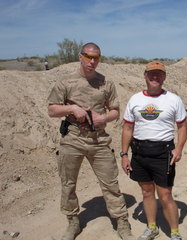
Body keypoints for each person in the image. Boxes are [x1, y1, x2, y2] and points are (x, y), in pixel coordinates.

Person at [47, 42, 134, 240]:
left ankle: (121, 222)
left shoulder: (106, 83)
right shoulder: (66, 82)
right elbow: (52, 109)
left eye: (96, 58)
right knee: (68, 183)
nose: (92, 61)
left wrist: (103, 118)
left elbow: (115, 111)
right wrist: (71, 109)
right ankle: (73, 222)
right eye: (88, 56)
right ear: (80, 56)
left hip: (99, 140)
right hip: (73, 139)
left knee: (110, 183)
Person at [121, 61, 187, 240]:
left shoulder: (173, 99)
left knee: (165, 195)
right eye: (151, 73)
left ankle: (174, 232)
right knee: (146, 191)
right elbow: (127, 128)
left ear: (164, 77)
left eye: (159, 74)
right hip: (140, 152)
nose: (155, 77)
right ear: (145, 75)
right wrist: (124, 154)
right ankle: (152, 227)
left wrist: (179, 148)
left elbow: (182, 127)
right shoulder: (135, 99)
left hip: (163, 152)